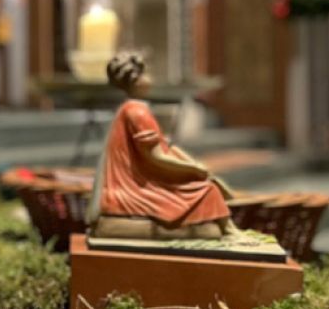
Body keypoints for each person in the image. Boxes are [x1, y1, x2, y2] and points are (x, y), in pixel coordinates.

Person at [88, 51, 239, 239]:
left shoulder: (134, 108)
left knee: (205, 184)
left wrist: (193, 165)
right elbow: (156, 156)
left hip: (148, 173)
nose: (150, 78)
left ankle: (228, 229)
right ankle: (227, 230)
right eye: (145, 74)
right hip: (138, 183)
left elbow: (167, 147)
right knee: (206, 189)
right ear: (135, 80)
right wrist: (193, 168)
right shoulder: (136, 112)